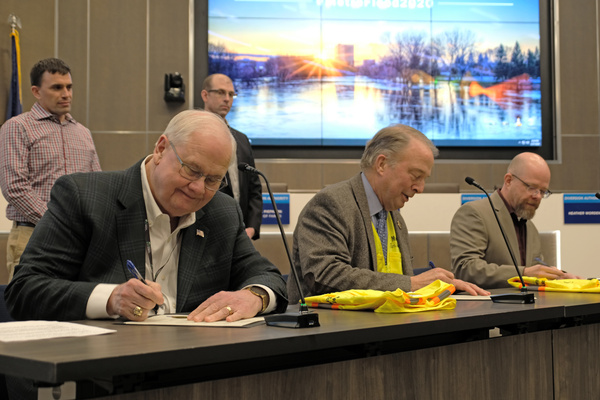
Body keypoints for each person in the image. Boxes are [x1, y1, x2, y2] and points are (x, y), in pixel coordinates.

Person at [5, 109, 288, 323]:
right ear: (161, 148)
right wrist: (110, 299)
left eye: (214, 179)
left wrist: (254, 296)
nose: (199, 188)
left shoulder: (221, 212)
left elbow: (268, 277)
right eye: (191, 170)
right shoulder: (84, 197)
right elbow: (24, 291)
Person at [288, 124, 489, 304]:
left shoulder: (393, 215)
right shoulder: (331, 204)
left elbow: (398, 283)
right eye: (416, 176)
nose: (420, 188)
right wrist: (412, 283)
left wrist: (440, 288)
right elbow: (324, 275)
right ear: (382, 164)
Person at [0, 58, 101, 282]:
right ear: (36, 91)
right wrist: (56, 221)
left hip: (78, 241)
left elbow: (95, 185)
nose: (66, 94)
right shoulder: (17, 127)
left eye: (69, 87)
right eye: (57, 87)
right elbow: (14, 186)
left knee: (73, 310)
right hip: (32, 235)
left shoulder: (83, 133)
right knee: (30, 311)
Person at [450, 152, 579, 288]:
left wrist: (561, 277)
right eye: (532, 187)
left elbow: (535, 268)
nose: (537, 196)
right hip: (486, 306)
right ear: (509, 180)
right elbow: (465, 268)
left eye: (543, 191)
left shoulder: (529, 226)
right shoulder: (474, 213)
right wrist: (524, 273)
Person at [201, 73, 263, 240]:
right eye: (221, 92)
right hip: (204, 233)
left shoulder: (241, 139)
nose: (227, 99)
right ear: (205, 95)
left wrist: (252, 227)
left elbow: (254, 187)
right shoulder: (193, 135)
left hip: (240, 234)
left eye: (231, 94)